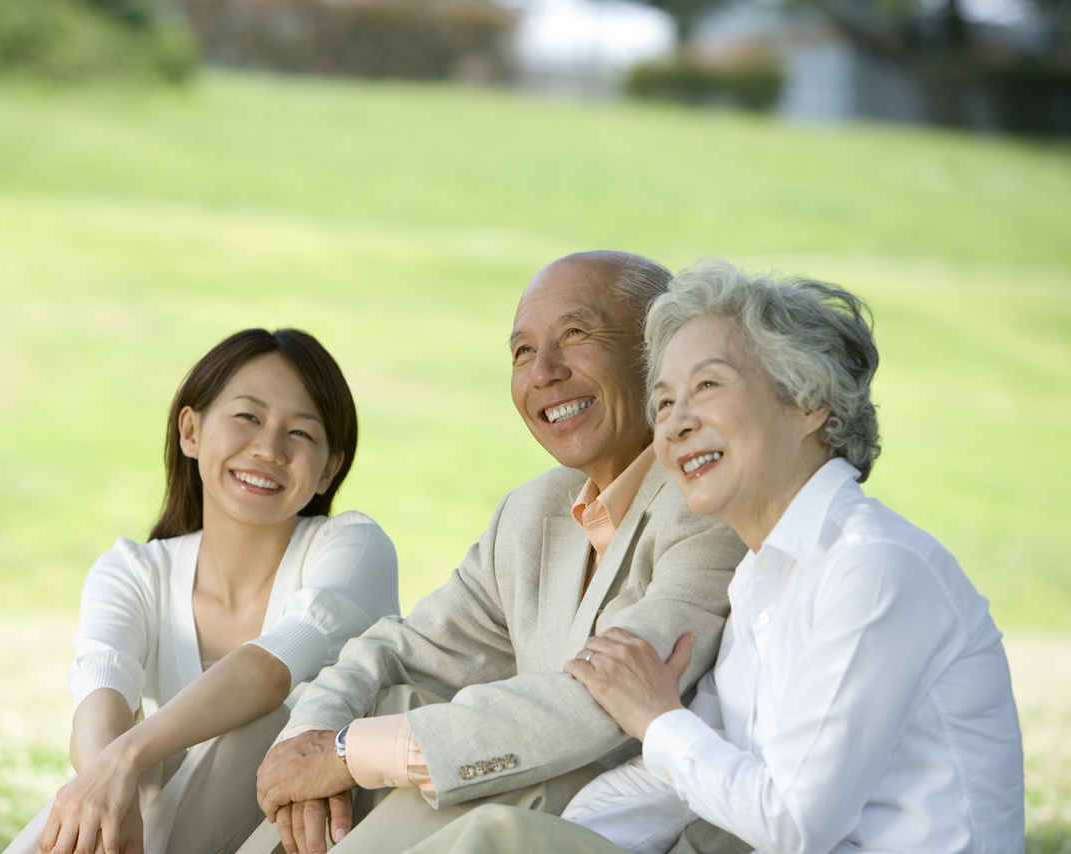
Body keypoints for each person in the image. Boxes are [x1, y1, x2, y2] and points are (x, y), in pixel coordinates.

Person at [407, 260, 1025, 854]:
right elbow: (669, 784)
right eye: (664, 402)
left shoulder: (873, 568)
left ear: (808, 402)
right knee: (499, 836)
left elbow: (793, 823)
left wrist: (655, 718)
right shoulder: (762, 575)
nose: (674, 427)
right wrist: (551, 836)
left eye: (706, 386)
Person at [249, 251, 749, 854]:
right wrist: (313, 735)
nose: (543, 373)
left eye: (576, 333)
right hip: (536, 807)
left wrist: (344, 755)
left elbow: (609, 697)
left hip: (631, 831)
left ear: (660, 352)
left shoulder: (708, 502)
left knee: (403, 754)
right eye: (522, 352)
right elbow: (400, 650)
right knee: (380, 709)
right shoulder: (532, 512)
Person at [4, 328, 400, 854]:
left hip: (317, 826)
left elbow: (272, 668)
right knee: (117, 777)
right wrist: (108, 781)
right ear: (190, 431)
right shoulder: (133, 571)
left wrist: (124, 761)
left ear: (329, 468)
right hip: (194, 826)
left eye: (300, 433)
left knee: (264, 720)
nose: (268, 449)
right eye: (248, 417)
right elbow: (101, 694)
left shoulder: (354, 547)